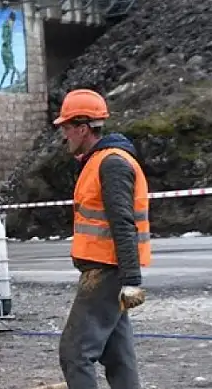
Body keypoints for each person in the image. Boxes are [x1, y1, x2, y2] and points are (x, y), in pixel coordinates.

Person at [53, 88, 150, 389]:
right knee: (118, 355)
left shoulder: (111, 164)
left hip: (106, 271)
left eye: (67, 128)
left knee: (75, 353)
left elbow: (123, 223)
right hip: (106, 270)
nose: (64, 135)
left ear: (83, 128)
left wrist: (132, 279)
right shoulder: (99, 161)